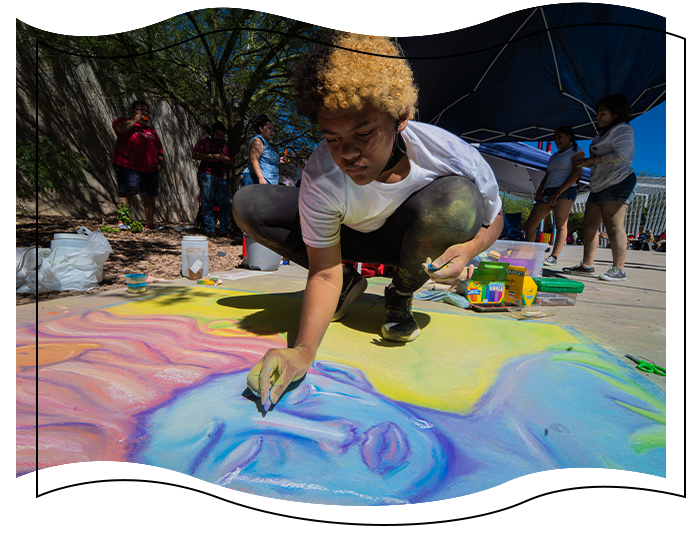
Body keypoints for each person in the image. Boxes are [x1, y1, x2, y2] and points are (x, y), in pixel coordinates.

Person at [233, 32, 503, 408]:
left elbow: (495, 216)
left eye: (364, 132)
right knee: (248, 203)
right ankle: (349, 281)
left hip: (406, 242)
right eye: (332, 137)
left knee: (460, 201)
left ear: (401, 118)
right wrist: (303, 351)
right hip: (348, 238)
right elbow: (321, 272)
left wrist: (470, 248)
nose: (348, 153)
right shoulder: (321, 173)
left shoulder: (450, 153)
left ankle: (400, 294)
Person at [563, 94, 636, 281]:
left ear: (615, 114)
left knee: (613, 225)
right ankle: (586, 265)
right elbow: (601, 161)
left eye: (603, 113)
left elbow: (622, 156)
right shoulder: (599, 135)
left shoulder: (623, 129)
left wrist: (591, 160)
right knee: (589, 225)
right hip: (598, 185)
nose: (598, 117)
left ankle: (618, 269)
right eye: (598, 113)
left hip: (618, 181)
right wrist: (586, 163)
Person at [524, 126, 585, 266]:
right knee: (531, 224)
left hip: (566, 190)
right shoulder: (554, 156)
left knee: (560, 224)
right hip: (549, 190)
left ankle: (554, 256)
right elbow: (548, 175)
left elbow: (576, 173)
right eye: (555, 137)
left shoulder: (576, 151)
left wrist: (558, 193)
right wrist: (540, 190)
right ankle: (528, 253)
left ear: (569, 136)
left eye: (560, 137)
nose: (557, 140)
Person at [112, 100, 164, 230]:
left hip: (149, 170)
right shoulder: (123, 122)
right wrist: (135, 120)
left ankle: (150, 224)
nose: (145, 113)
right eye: (141, 110)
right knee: (126, 192)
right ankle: (122, 222)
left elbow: (160, 151)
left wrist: (158, 166)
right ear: (134, 111)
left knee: (150, 194)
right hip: (127, 165)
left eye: (146, 111)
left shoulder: (151, 131)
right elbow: (120, 129)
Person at [192, 121, 234, 237]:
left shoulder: (224, 147)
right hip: (206, 174)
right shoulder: (203, 142)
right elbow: (194, 154)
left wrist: (226, 159)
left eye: (222, 136)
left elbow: (232, 163)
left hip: (220, 177)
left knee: (225, 203)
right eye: (218, 135)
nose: (220, 138)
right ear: (212, 131)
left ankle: (224, 230)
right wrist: (211, 156)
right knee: (207, 201)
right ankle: (209, 229)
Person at [240, 115, 286, 187]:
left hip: (270, 182)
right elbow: (254, 159)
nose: (272, 131)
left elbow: (266, 160)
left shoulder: (268, 145)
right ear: (261, 128)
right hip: (255, 179)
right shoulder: (258, 140)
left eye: (272, 129)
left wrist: (279, 160)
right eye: (269, 128)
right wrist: (261, 178)